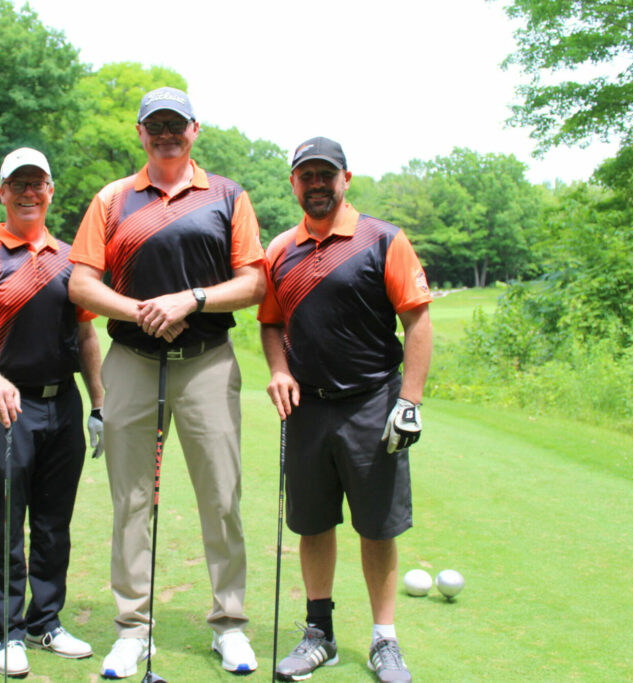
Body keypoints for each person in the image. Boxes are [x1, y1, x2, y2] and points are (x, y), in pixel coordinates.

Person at [67, 86, 266, 678]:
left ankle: (229, 624)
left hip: (207, 360)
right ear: (141, 133)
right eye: (155, 125)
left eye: (175, 124)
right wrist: (140, 310)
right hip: (131, 359)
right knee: (130, 499)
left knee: (221, 496)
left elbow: (253, 282)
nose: (166, 134)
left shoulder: (228, 196)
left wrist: (192, 299)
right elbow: (81, 283)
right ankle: (133, 629)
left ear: (195, 130)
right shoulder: (111, 200)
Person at [258, 137, 432, 683]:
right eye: (305, 175)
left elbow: (418, 322)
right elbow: (270, 322)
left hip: (372, 403)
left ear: (345, 178)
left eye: (325, 174)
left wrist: (410, 401)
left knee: (378, 527)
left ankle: (385, 640)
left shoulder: (382, 240)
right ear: (293, 183)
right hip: (307, 409)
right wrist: (279, 370)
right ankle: (319, 634)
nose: (316, 183)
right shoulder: (280, 249)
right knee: (313, 523)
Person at [0, 148, 104, 677]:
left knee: (55, 525)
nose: (29, 193)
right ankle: (8, 631)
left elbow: (85, 334)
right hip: (6, 409)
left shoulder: (70, 260)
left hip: (63, 406)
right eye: (19, 185)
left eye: (38, 184)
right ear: (2, 192)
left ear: (50, 191)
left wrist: (99, 403)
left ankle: (45, 622)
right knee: (7, 525)